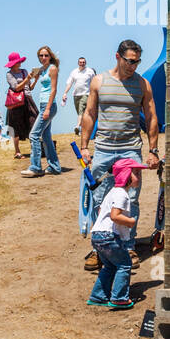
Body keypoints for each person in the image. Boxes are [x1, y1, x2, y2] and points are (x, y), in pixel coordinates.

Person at [77, 39, 161, 271]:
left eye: (137, 61)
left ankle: (128, 246)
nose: (133, 65)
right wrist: (84, 146)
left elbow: (152, 116)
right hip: (103, 149)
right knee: (99, 199)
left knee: (130, 200)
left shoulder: (142, 84)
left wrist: (153, 150)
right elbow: (90, 113)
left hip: (130, 150)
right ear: (118, 57)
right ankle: (99, 249)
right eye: (129, 61)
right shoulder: (99, 81)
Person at [87, 159, 148, 309]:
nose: (139, 177)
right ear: (126, 175)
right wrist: (130, 222)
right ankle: (119, 298)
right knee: (124, 264)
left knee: (109, 266)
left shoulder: (112, 192)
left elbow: (101, 211)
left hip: (97, 235)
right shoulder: (122, 194)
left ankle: (98, 296)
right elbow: (115, 216)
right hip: (109, 236)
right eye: (136, 173)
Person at [21, 45, 63, 177]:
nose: (43, 57)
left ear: (50, 56)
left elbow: (54, 90)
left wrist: (48, 109)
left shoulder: (52, 68)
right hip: (43, 105)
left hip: (49, 106)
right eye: (41, 55)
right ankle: (55, 167)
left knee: (33, 134)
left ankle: (36, 167)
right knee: (46, 137)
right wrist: (31, 79)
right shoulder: (42, 70)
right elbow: (32, 87)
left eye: (46, 55)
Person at [4, 53, 36, 159]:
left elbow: (29, 87)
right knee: (16, 126)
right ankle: (17, 151)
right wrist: (26, 80)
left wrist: (35, 79)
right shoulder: (9, 74)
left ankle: (34, 149)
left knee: (33, 122)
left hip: (28, 99)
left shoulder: (24, 71)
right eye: (17, 61)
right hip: (16, 102)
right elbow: (16, 88)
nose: (19, 63)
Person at [62, 57, 96, 136]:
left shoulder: (90, 71)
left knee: (81, 110)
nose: (82, 63)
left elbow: (94, 82)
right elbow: (69, 83)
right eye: (81, 62)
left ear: (85, 63)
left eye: (84, 62)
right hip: (76, 95)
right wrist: (65, 93)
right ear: (78, 63)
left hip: (86, 94)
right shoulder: (74, 72)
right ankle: (82, 130)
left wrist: (94, 94)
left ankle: (77, 126)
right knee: (81, 114)